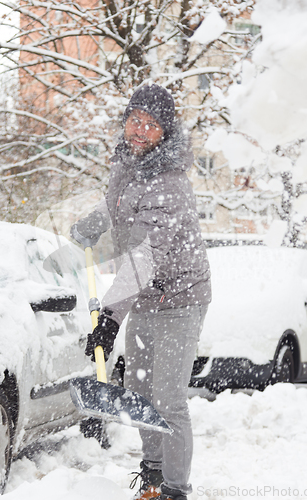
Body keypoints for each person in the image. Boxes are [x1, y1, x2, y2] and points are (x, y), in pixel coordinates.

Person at [71, 84, 211, 500]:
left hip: (181, 299)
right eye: (136, 120)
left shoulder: (169, 182)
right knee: (140, 391)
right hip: (146, 299)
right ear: (126, 121)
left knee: (168, 399)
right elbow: (118, 207)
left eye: (152, 126)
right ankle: (152, 476)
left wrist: (110, 318)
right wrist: (95, 221)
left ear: (165, 135)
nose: (140, 130)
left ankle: (175, 489)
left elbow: (144, 257)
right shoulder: (128, 167)